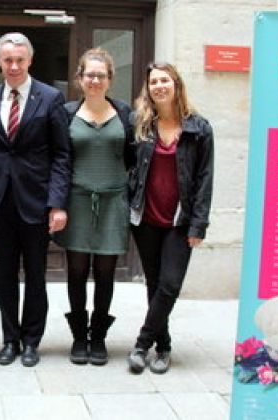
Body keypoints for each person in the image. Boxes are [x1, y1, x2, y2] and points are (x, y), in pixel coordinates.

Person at [0, 32, 71, 367]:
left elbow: (62, 155)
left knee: (35, 275)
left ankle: (31, 342)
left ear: (30, 60)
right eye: (7, 60)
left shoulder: (51, 98)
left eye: (19, 59)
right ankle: (10, 338)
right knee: (2, 275)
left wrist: (58, 203)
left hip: (36, 202)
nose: (14, 66)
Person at [125, 62, 214, 374]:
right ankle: (162, 348)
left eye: (164, 80)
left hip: (180, 221)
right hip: (146, 218)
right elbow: (126, 163)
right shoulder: (139, 124)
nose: (159, 86)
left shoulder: (198, 128)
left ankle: (141, 344)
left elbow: (205, 178)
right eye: (153, 82)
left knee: (170, 284)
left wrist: (198, 224)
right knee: (155, 283)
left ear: (176, 85)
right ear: (148, 89)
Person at [53, 48, 131, 366]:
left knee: (105, 273)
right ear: (80, 79)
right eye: (89, 75)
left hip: (113, 202)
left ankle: (98, 337)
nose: (95, 80)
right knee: (76, 271)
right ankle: (78, 337)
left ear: (110, 79)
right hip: (79, 201)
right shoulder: (67, 113)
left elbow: (134, 157)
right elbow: (59, 160)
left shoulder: (125, 113)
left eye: (101, 75)